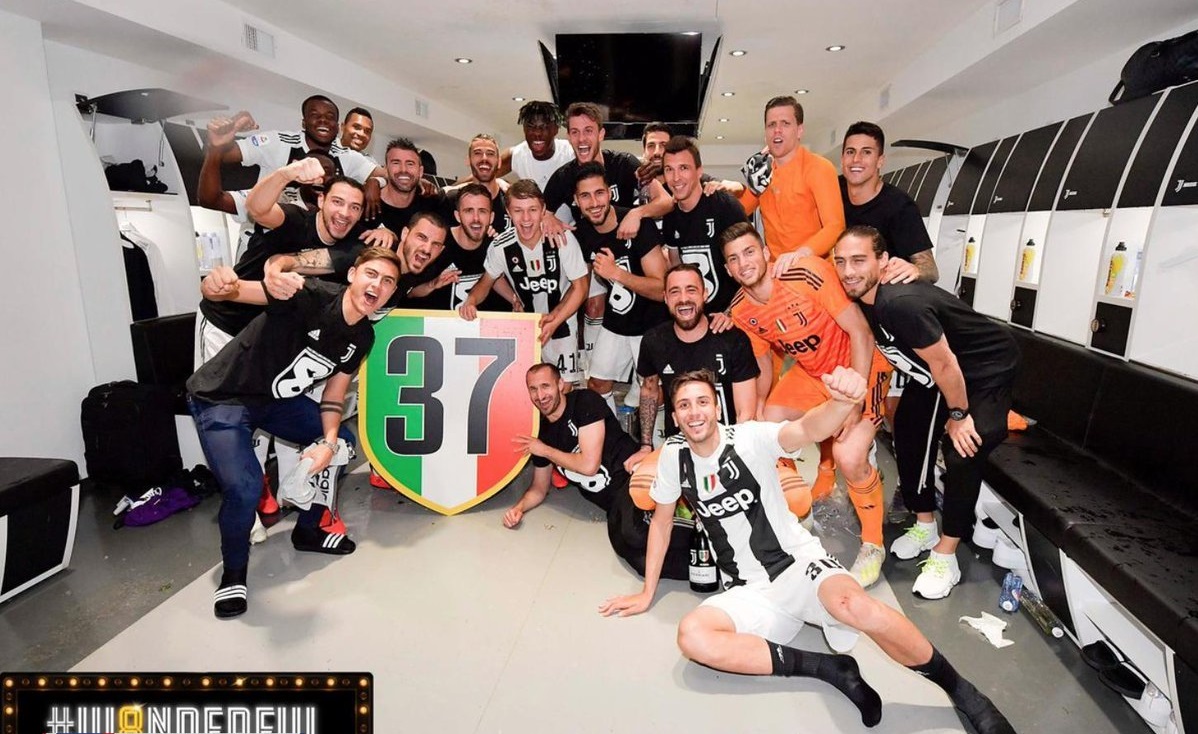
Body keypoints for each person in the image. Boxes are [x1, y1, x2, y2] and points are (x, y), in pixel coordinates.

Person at [598, 368, 1014, 734]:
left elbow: (806, 430)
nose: (694, 412)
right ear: (675, 415)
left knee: (856, 606)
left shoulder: (750, 438)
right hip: (747, 589)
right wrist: (647, 591)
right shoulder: (674, 458)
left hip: (797, 565)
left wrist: (841, 403)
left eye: (702, 401)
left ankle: (964, 692)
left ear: (717, 407)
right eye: (684, 405)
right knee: (692, 637)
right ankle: (828, 668)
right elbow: (662, 524)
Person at [186, 246, 402, 619]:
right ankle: (233, 574)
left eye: (387, 281)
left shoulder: (363, 336)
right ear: (352, 275)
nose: (377, 285)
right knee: (245, 488)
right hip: (223, 395)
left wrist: (329, 443)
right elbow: (237, 291)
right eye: (371, 274)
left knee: (343, 443)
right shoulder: (311, 295)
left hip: (273, 401)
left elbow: (333, 396)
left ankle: (308, 530)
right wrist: (215, 285)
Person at [834, 226, 1019, 600]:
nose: (848, 271)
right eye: (841, 261)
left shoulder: (899, 303)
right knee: (907, 426)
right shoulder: (866, 298)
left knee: (963, 449)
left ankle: (946, 554)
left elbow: (946, 363)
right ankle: (925, 524)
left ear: (883, 261)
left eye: (859, 260)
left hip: (983, 370)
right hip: (937, 374)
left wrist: (959, 415)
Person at [722, 222, 892, 588]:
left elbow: (861, 332)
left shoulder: (806, 274)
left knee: (850, 454)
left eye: (749, 252)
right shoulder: (741, 310)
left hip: (861, 365)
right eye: (733, 259)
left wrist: (854, 400)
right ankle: (796, 505)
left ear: (766, 252)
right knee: (770, 425)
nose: (743, 263)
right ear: (727, 269)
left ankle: (873, 544)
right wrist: (758, 410)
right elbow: (763, 362)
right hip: (813, 372)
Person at [506, 363, 691, 580]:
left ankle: (702, 533)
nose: (540, 395)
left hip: (633, 478)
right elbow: (539, 488)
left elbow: (589, 465)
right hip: (613, 504)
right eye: (533, 389)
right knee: (637, 560)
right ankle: (702, 569)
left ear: (560, 384)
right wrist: (518, 508)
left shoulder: (584, 402)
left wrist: (545, 450)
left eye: (545, 386)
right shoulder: (542, 434)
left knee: (634, 533)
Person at [195, 158, 382, 367]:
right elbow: (256, 209)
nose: (345, 213)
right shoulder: (295, 219)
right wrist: (285, 174)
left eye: (354, 207)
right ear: (321, 201)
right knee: (210, 386)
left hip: (265, 336)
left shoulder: (354, 244)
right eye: (337, 202)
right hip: (226, 321)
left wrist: (386, 233)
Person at [458, 180, 589, 383]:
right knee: (526, 386)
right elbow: (486, 282)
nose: (526, 218)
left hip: (562, 321)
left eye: (532, 210)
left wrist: (554, 321)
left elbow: (581, 288)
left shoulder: (562, 238)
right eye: (518, 210)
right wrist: (471, 301)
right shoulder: (501, 246)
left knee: (562, 387)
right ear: (508, 212)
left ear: (543, 210)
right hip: (526, 325)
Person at [571, 162, 669, 414]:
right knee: (597, 384)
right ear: (576, 201)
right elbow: (579, 285)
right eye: (585, 196)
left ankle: (657, 438)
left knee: (652, 390)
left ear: (610, 193)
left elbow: (662, 289)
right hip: (617, 321)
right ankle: (612, 434)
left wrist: (617, 274)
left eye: (599, 193)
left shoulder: (638, 225)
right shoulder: (582, 233)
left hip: (651, 323)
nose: (594, 203)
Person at [723, 96, 845, 273]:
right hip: (777, 272)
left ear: (799, 130)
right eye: (771, 125)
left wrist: (801, 254)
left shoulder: (819, 167)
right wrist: (731, 190)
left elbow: (835, 226)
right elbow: (739, 213)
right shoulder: (763, 172)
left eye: (785, 124)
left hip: (815, 270)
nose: (777, 130)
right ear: (765, 133)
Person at [212, 95, 386, 219]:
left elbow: (390, 175)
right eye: (315, 115)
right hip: (263, 234)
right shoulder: (278, 142)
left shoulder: (347, 156)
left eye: (330, 117)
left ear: (336, 126)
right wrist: (227, 133)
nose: (323, 120)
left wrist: (375, 182)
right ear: (304, 122)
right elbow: (225, 155)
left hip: (309, 241)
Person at [840, 122, 938, 284]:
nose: (856, 159)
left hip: (883, 290)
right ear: (842, 158)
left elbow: (931, 270)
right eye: (850, 152)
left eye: (866, 152)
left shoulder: (899, 206)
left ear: (880, 161)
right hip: (843, 287)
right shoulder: (831, 191)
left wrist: (915, 270)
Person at [660, 136, 749, 315]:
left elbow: (749, 263)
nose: (676, 178)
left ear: (699, 171)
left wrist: (731, 314)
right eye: (669, 169)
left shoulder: (724, 205)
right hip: (696, 318)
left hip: (733, 315)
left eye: (683, 168)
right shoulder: (670, 215)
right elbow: (677, 266)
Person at [403, 183, 518, 312]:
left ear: (491, 217)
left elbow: (493, 276)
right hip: (428, 321)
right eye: (469, 211)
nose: (476, 218)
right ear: (457, 216)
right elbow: (409, 292)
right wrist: (433, 284)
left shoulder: (493, 244)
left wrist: (515, 300)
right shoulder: (438, 242)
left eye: (482, 211)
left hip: (473, 321)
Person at [375, 138, 449, 236]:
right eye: (396, 163)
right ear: (386, 169)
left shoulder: (434, 203)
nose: (403, 170)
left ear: (420, 171)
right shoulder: (368, 204)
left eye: (410, 164)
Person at [444, 134, 510, 234]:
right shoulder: (451, 200)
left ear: (499, 162)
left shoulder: (511, 201)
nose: (484, 158)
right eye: (477, 153)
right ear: (468, 160)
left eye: (490, 154)